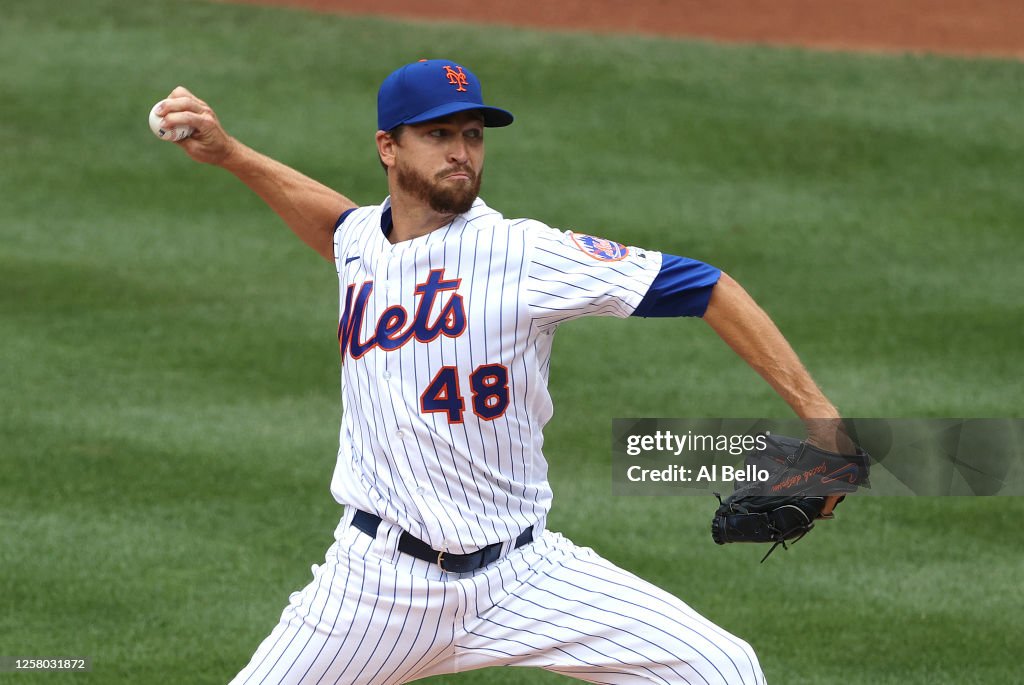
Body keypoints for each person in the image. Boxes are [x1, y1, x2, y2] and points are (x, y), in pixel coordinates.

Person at [156, 58, 846, 685]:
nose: (462, 152)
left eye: (473, 134)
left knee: (723, 668)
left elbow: (707, 288)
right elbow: (334, 226)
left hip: (523, 572)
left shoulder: (524, 253)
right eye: (438, 135)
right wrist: (231, 155)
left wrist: (819, 416)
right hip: (375, 585)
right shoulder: (362, 242)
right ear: (387, 147)